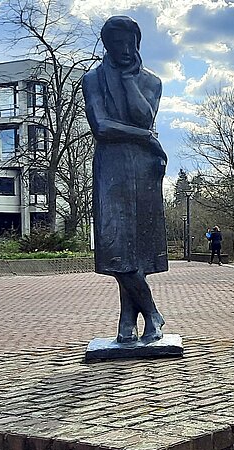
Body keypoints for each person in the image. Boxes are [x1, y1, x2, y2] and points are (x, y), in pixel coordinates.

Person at [82, 15, 169, 344]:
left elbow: (144, 115)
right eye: (115, 43)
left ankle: (127, 321)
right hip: (112, 169)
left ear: (137, 43)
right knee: (115, 249)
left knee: (140, 248)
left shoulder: (152, 82)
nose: (122, 49)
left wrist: (130, 81)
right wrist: (145, 138)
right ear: (106, 45)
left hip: (145, 169)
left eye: (128, 42)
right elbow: (101, 128)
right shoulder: (92, 79)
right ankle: (152, 313)